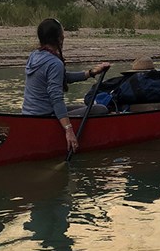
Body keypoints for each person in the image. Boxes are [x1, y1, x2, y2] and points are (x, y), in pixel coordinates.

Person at [22, 18, 111, 153]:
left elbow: (63, 78)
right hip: (45, 115)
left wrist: (91, 72)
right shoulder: (54, 63)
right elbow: (56, 98)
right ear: (58, 38)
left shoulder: (34, 55)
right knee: (101, 109)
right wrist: (68, 130)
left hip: (30, 114)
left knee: (85, 107)